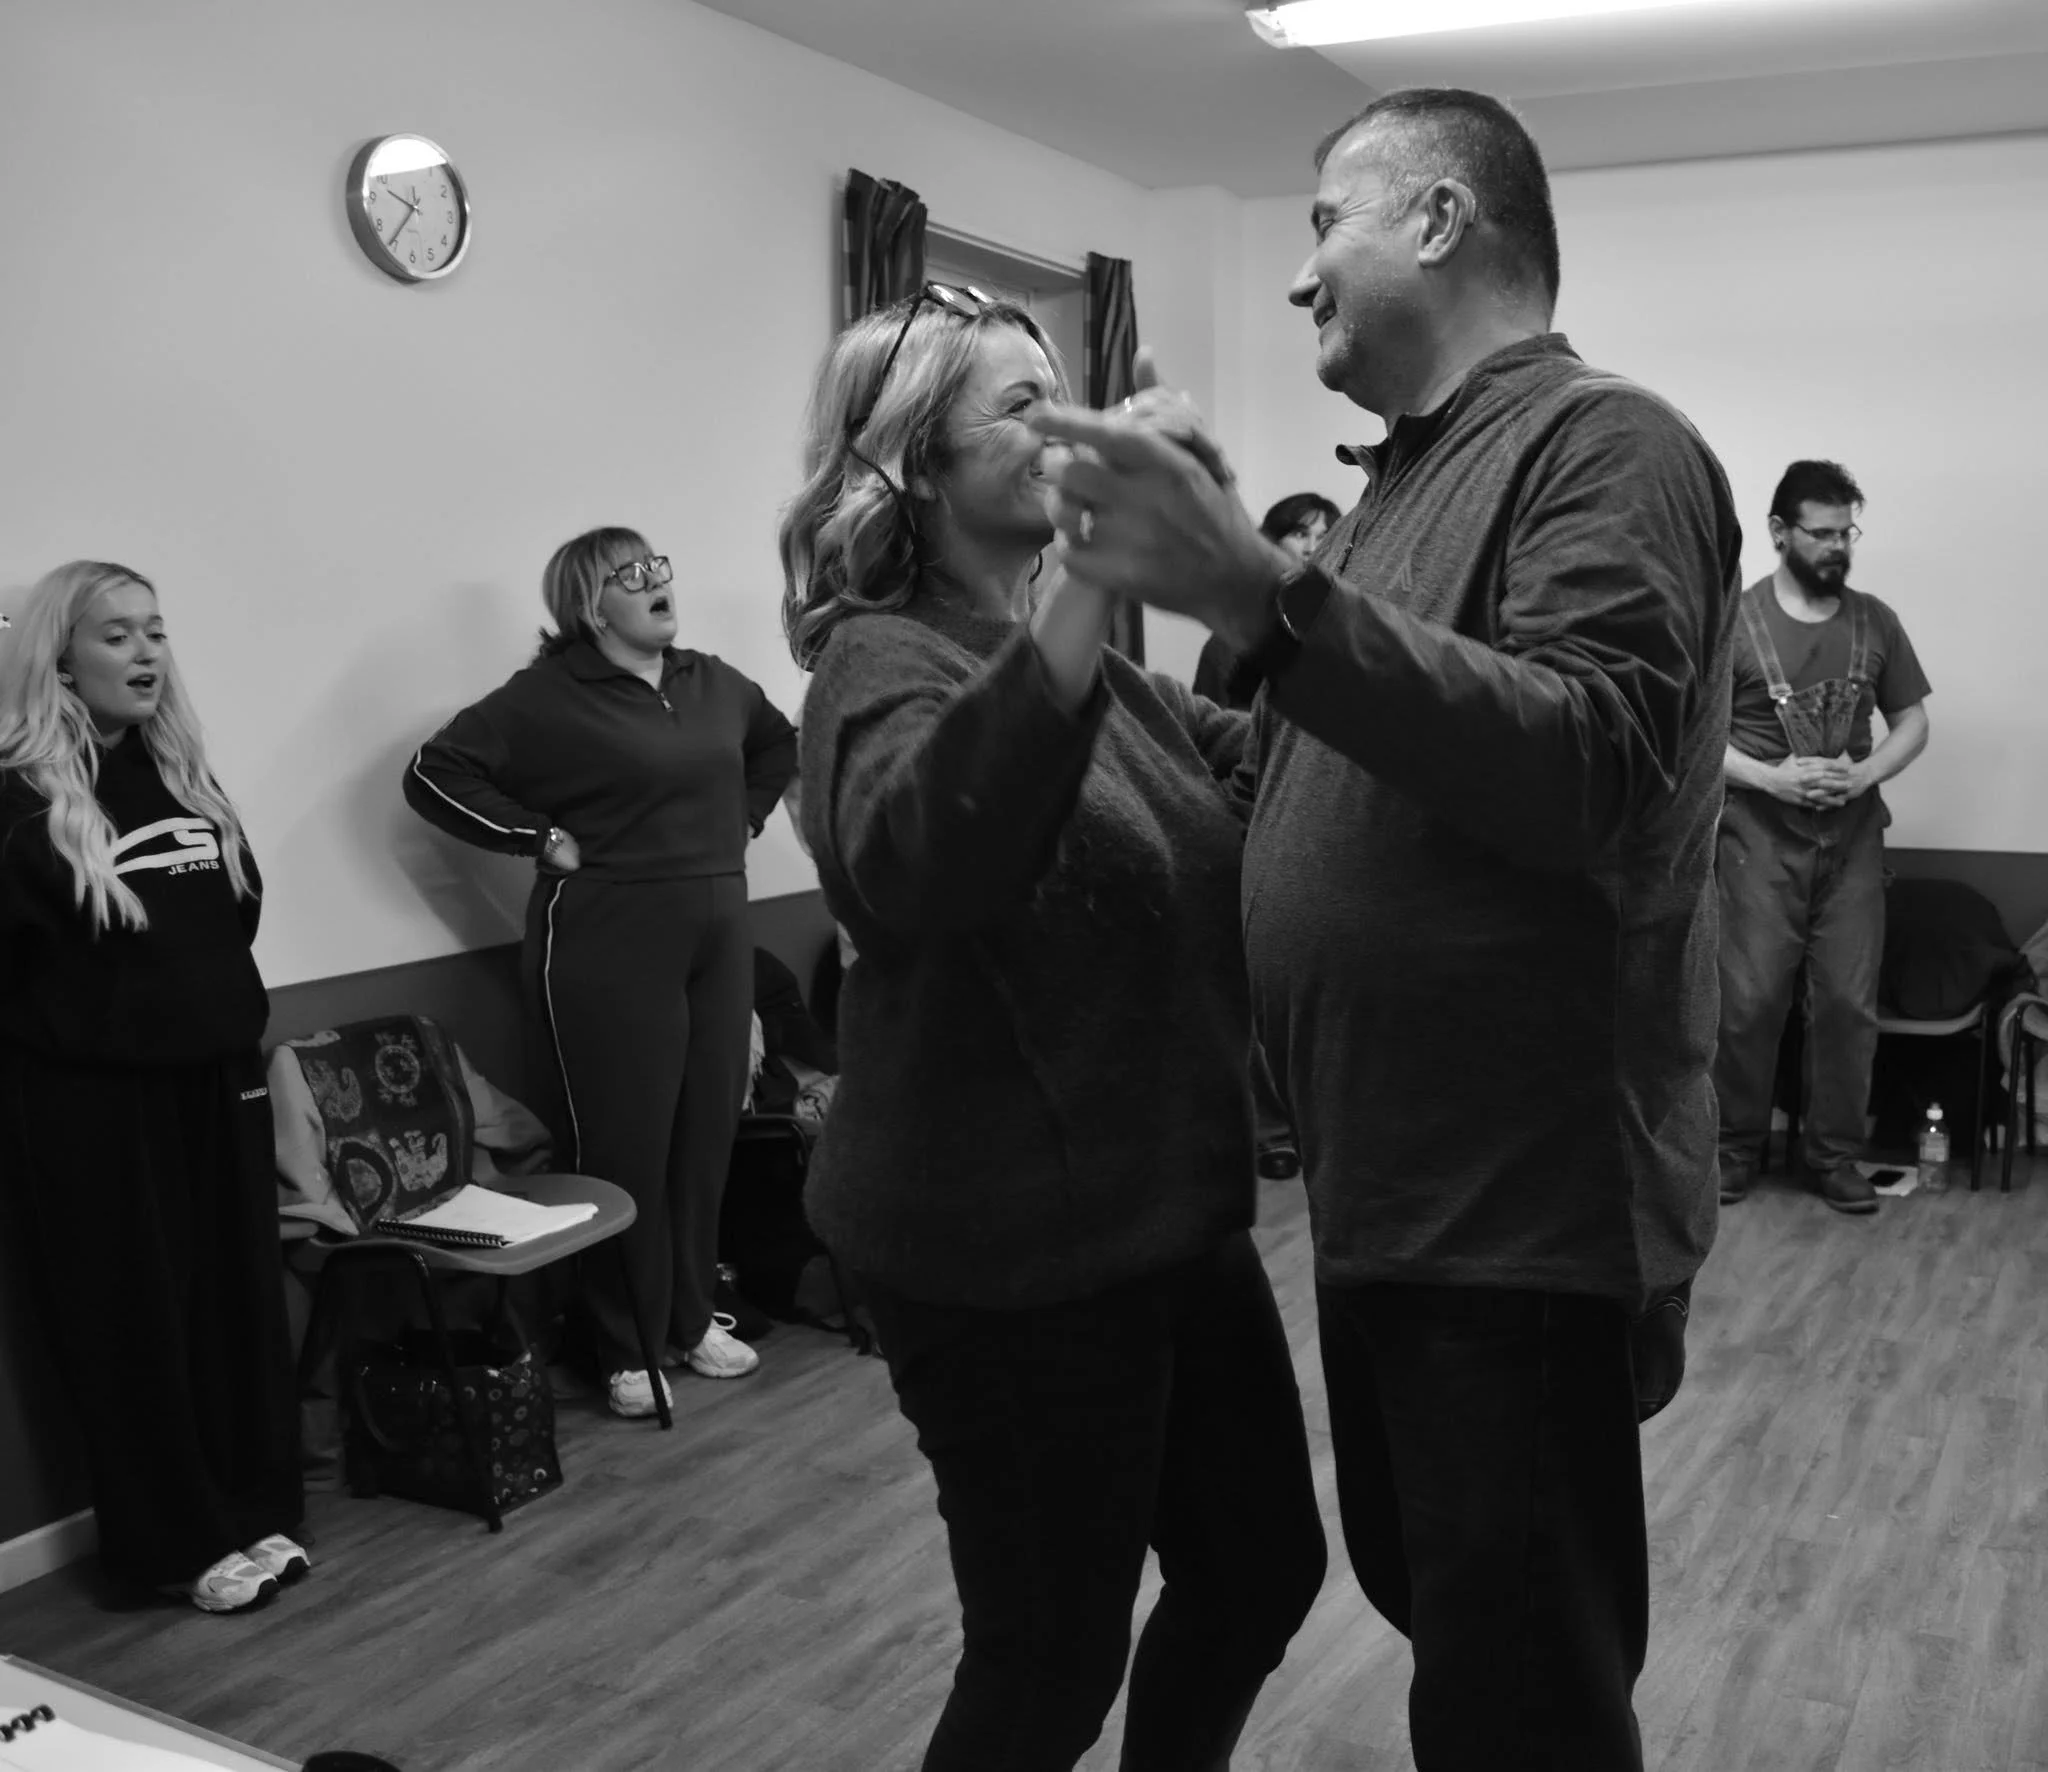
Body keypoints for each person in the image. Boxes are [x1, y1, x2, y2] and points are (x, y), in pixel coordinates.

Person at [1031, 88, 1741, 1770]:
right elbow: (1293, 775)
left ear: (1436, 218)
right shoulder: (1396, 489)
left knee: (1520, 1690)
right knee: (1451, 1608)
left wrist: (1257, 596)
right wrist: (1061, 669)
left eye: (1319, 222)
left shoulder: (1601, 446)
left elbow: (1581, 762)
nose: (1299, 278)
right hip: (1394, 1191)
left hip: (1523, 1206)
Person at [780, 283, 1325, 1771]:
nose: (1063, 426)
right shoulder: (875, 664)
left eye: (1065, 393)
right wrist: (1090, 583)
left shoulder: (1123, 695)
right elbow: (921, 865)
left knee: (1261, 1567)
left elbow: (1303, 766)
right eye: (1022, 405)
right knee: (1048, 1656)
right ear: (912, 461)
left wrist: (1243, 570)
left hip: (1163, 1226)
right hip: (1002, 1260)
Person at [402, 528, 797, 1411]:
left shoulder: (711, 682)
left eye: (662, 566)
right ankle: (624, 1343)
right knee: (625, 1146)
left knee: (704, 1135)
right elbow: (435, 774)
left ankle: (691, 1320)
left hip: (717, 935)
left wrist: (748, 818)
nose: (660, 583)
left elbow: (779, 744)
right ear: (589, 604)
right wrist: (537, 838)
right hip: (609, 943)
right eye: (634, 574)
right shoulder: (547, 698)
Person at [0, 561, 305, 1614]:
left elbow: (231, 928)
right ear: (60, 658)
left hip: (215, 1083)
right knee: (133, 1320)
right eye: (117, 634)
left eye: (155, 631)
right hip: (91, 1105)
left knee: (232, 1301)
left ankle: (254, 1507)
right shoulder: (20, 796)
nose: (144, 652)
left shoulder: (185, 778)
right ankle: (175, 1543)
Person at [1714, 461, 1931, 1213]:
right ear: (1780, 532)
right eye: (1824, 533)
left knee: (1846, 1003)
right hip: (1756, 842)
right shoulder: (1733, 622)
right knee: (1746, 1004)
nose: (1840, 547)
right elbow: (1693, 735)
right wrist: (1772, 780)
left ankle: (1834, 1157)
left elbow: (1914, 722)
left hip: (1853, 844)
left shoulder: (1876, 621)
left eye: (1848, 533)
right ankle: (1731, 1151)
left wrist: (1864, 775)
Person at [1191, 492, 1339, 709]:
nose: (1312, 548)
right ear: (1271, 544)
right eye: (1300, 534)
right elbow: (1207, 730)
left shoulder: (1350, 632)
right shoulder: (1230, 643)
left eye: (1324, 537)